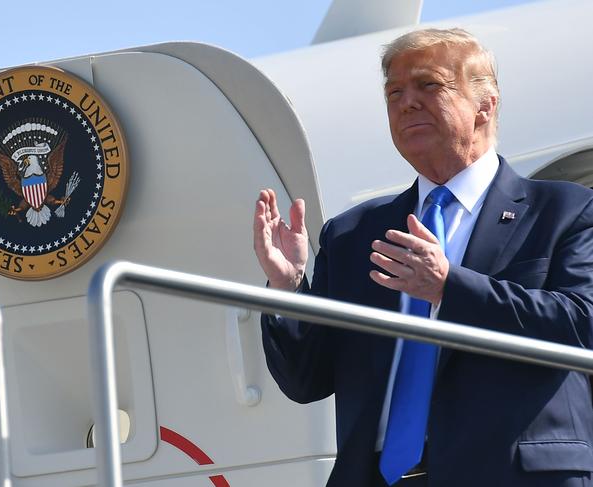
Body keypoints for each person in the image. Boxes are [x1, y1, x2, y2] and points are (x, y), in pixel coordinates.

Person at [253, 28, 593, 487]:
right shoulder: (353, 234)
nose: (406, 103)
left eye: (428, 85)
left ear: (485, 105)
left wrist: (449, 288)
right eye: (394, 92)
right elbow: (306, 381)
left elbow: (582, 326)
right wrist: (289, 288)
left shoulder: (566, 210)